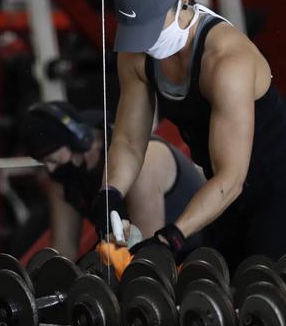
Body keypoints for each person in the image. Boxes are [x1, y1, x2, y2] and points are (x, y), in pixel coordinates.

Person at [99, 0, 286, 267]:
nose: (147, 42)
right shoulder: (136, 51)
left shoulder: (226, 60)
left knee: (266, 299)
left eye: (155, 29)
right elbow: (128, 141)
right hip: (221, 197)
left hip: (280, 193)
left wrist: (171, 237)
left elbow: (232, 177)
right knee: (217, 298)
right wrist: (110, 193)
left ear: (184, 0)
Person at [23, 101, 205, 260]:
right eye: (44, 163)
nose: (51, 169)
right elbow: (64, 251)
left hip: (199, 256)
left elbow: (147, 253)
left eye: (53, 160)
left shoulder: (145, 162)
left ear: (80, 140)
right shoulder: (62, 176)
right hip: (147, 258)